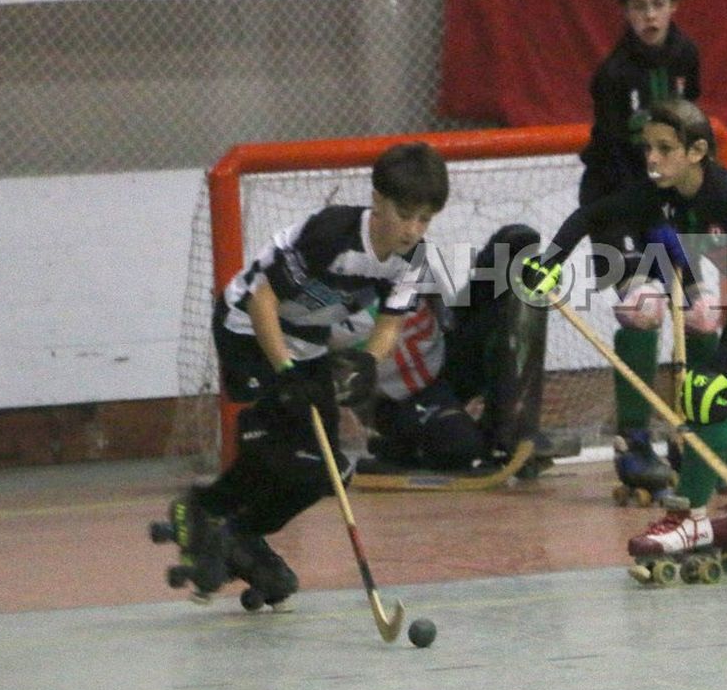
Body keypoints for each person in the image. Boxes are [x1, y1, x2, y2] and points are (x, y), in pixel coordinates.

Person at [525, 98, 727, 565]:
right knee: (711, 397)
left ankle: (689, 517)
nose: (652, 159)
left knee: (706, 392)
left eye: (665, 149)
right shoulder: (662, 194)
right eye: (648, 148)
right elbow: (593, 216)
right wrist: (550, 263)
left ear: (697, 151)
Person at [161, 142, 449, 606]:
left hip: (309, 340)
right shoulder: (331, 235)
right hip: (250, 331)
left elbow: (389, 323)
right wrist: (286, 373)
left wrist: (367, 363)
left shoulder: (413, 258)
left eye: (425, 220)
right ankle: (201, 509)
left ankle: (240, 534)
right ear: (378, 201)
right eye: (406, 214)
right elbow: (262, 301)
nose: (413, 230)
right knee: (280, 448)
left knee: (327, 472)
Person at [577, 0, 710, 498]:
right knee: (643, 309)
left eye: (657, 4)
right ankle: (633, 443)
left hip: (667, 200)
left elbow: (693, 135)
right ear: (625, 13)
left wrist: (691, 208)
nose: (649, 16)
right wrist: (652, 224)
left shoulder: (687, 56)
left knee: (701, 314)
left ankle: (696, 430)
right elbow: (615, 165)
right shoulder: (611, 77)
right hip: (615, 203)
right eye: (638, 7)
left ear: (672, 6)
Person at [343, 223, 550, 476]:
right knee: (461, 445)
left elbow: (452, 317)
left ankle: (509, 429)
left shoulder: (414, 265)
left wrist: (509, 277)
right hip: (403, 400)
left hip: (445, 362)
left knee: (508, 267)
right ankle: (396, 448)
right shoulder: (336, 310)